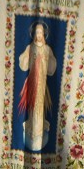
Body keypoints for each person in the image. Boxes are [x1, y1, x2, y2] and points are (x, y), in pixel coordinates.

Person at [18, 21, 57, 151]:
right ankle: (31, 129)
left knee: (40, 107)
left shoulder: (47, 49)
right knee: (32, 106)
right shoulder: (30, 47)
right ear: (33, 34)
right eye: (37, 32)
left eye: (40, 32)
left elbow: (52, 66)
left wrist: (46, 60)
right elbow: (23, 63)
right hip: (32, 83)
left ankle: (39, 132)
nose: (39, 34)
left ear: (44, 34)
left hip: (42, 84)